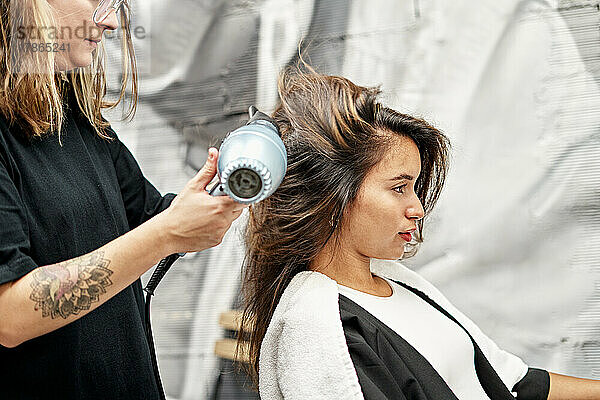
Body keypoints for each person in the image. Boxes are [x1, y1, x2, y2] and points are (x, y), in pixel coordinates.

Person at [238, 68, 600, 399]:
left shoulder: (404, 287)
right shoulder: (321, 330)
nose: (418, 209)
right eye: (399, 188)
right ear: (335, 197)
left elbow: (515, 383)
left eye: (415, 188)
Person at [0, 1, 247, 399]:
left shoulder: (75, 115)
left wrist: (217, 195)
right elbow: (8, 315)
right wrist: (168, 233)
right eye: (99, 2)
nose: (113, 22)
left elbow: (152, 218)